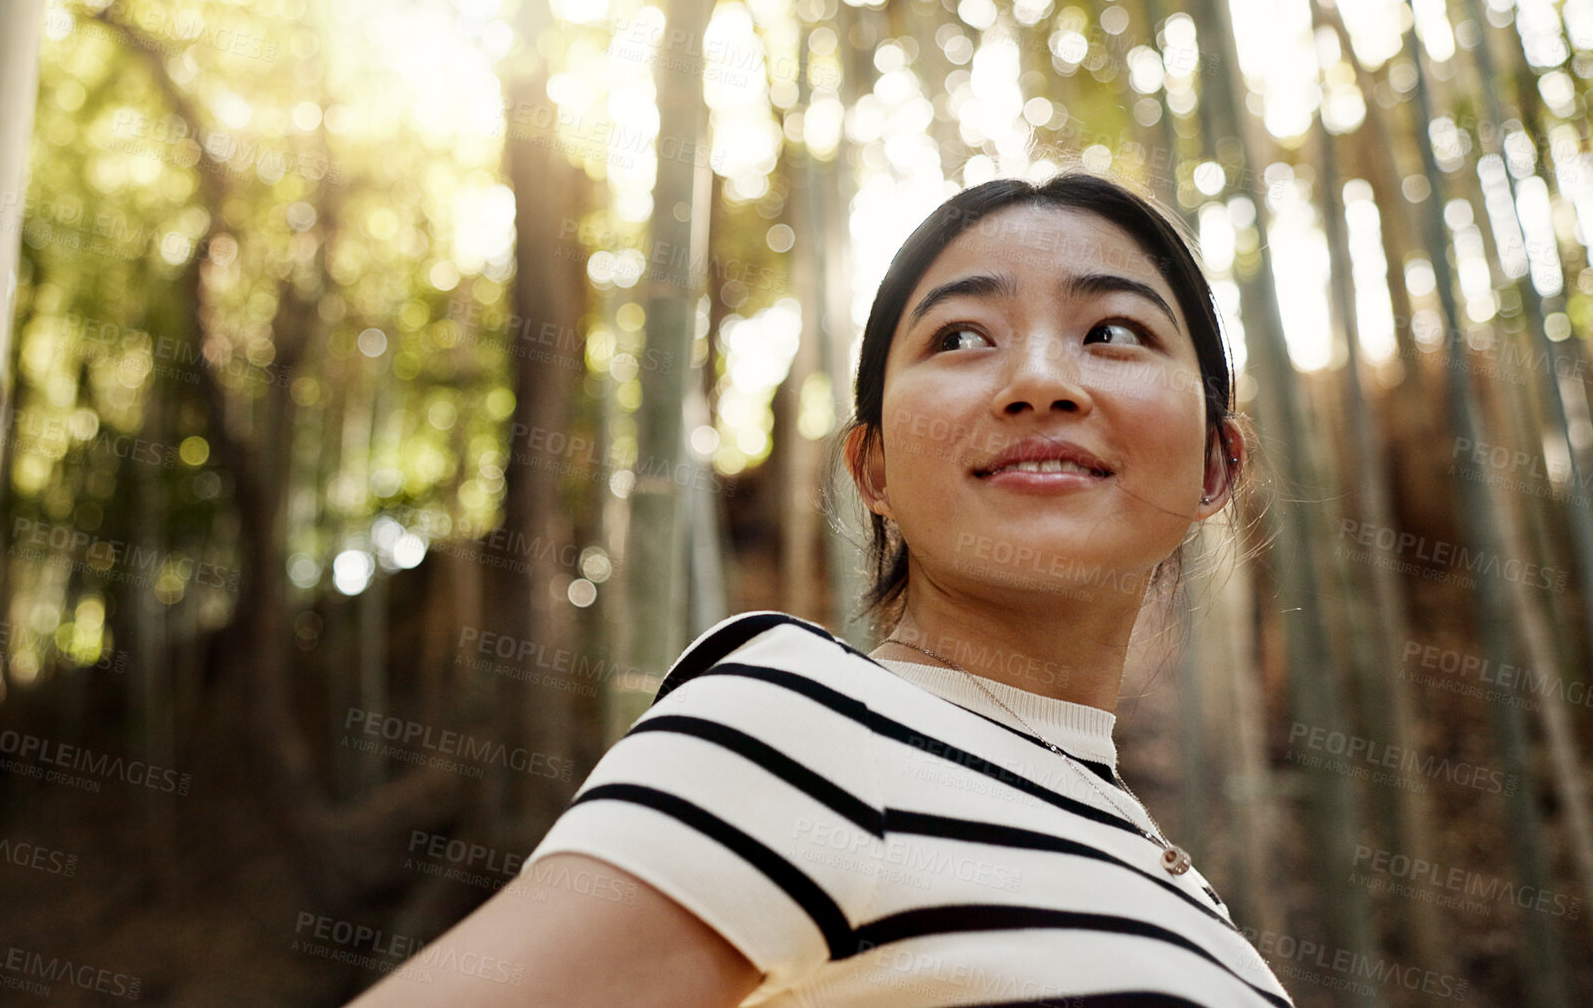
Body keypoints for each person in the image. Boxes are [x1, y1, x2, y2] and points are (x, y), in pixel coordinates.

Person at [344, 170, 1294, 1006]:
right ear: (870, 468)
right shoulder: (806, 728)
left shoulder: (1163, 872)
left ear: (1217, 462)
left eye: (1114, 330)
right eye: (961, 335)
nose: (1039, 381)